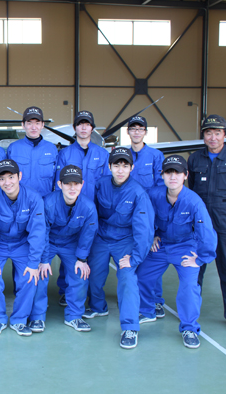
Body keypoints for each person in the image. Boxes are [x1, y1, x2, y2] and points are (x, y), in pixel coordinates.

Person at [137, 155, 217, 349]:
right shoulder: (153, 195)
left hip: (185, 247)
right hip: (161, 244)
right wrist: (152, 236)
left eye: (177, 173)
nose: (173, 177)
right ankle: (148, 310)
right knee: (141, 275)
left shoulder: (194, 201)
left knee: (189, 285)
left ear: (185, 175)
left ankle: (189, 328)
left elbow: (206, 231)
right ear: (162, 175)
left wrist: (201, 258)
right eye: (168, 172)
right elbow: (144, 218)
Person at [188, 114, 226, 333]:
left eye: (217, 133)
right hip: (201, 220)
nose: (212, 137)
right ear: (203, 136)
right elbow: (192, 187)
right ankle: (190, 311)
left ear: (225, 135)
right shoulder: (195, 159)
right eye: (208, 133)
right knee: (195, 266)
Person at [86, 147, 154, 349]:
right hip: (101, 237)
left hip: (125, 240)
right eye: (117, 165)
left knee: (127, 277)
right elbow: (91, 213)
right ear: (109, 167)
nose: (121, 170)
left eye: (125, 166)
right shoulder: (100, 185)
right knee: (94, 274)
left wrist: (135, 258)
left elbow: (144, 229)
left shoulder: (138, 193)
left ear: (132, 168)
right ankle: (98, 307)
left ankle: (130, 327)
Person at [0, 159, 46, 336]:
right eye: (2, 179)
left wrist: (33, 262)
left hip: (22, 244)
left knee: (29, 277)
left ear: (19, 176)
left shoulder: (33, 198)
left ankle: (19, 320)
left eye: (11, 177)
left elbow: (38, 232)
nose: (7, 182)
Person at [54, 110, 109, 307]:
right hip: (69, 213)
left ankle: (90, 292)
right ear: (75, 128)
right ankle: (65, 290)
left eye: (87, 124)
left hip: (93, 213)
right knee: (68, 252)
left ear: (92, 128)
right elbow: (58, 185)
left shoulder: (103, 155)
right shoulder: (65, 154)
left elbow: (106, 185)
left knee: (91, 254)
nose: (84, 128)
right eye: (80, 124)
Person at [34, 165, 98, 333]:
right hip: (49, 242)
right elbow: (42, 232)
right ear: (59, 184)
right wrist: (43, 259)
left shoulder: (88, 207)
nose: (72, 188)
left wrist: (82, 259)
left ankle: (74, 316)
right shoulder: (48, 203)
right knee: (39, 273)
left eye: (76, 183)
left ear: (82, 184)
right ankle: (37, 316)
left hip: (71, 243)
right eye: (67, 183)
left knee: (80, 273)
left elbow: (88, 234)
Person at [126, 115, 166, 319]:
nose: (136, 132)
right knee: (130, 255)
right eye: (133, 128)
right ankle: (134, 296)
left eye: (140, 129)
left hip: (147, 216)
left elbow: (161, 191)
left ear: (145, 132)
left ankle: (156, 300)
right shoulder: (122, 155)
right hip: (126, 214)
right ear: (128, 132)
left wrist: (156, 226)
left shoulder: (156, 156)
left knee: (151, 257)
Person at [6, 106, 57, 197]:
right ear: (23, 125)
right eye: (29, 123)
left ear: (42, 125)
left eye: (37, 123)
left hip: (45, 201)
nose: (34, 127)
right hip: (20, 200)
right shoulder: (13, 148)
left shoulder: (52, 149)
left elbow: (57, 179)